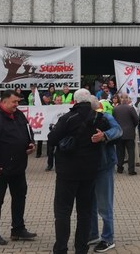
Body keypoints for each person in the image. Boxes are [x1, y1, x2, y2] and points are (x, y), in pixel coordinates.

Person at [47, 88, 111, 254]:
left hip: (67, 172)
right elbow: (110, 133)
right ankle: (81, 248)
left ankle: (61, 248)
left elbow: (52, 139)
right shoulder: (100, 119)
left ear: (74, 101)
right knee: (85, 212)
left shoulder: (68, 118)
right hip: (89, 172)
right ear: (89, 101)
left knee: (62, 211)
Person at [0, 90, 37, 246]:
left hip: (18, 167)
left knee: (19, 198)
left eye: (17, 102)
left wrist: (30, 143)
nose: (17, 105)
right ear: (3, 102)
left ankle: (18, 228)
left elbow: (28, 131)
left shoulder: (19, 115)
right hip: (0, 169)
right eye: (14, 102)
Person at [89, 98, 122, 253]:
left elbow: (118, 130)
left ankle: (108, 238)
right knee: (90, 204)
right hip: (89, 168)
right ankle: (93, 234)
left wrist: (104, 135)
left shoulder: (105, 117)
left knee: (104, 204)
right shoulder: (82, 118)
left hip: (104, 165)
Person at [112, 93, 139, 175]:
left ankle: (120, 168)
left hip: (119, 133)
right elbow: (136, 120)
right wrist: (132, 126)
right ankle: (131, 170)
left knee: (120, 152)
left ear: (120, 99)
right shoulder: (130, 108)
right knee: (131, 152)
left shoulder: (115, 109)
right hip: (130, 133)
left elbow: (114, 120)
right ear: (127, 99)